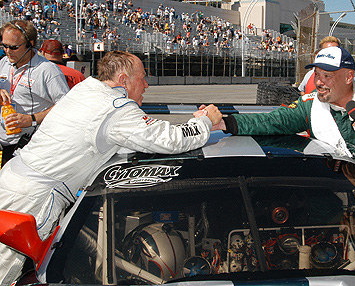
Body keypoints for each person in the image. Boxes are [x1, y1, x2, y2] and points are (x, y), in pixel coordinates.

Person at [0, 50, 222, 284]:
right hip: (32, 200)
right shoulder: (114, 108)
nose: (146, 85)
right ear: (124, 80)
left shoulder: (85, 90)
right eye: (143, 77)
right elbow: (171, 139)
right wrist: (205, 120)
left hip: (13, 179)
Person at [208, 46, 355, 196]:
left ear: (348, 77)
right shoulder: (309, 103)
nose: (319, 82)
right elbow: (273, 121)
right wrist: (226, 123)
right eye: (316, 74)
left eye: (327, 75)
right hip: (328, 198)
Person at [0, 20, 69, 165]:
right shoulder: (3, 62)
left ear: (30, 44)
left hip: (27, 148)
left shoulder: (48, 70)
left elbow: (66, 106)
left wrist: (31, 119)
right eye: (4, 46)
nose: (7, 51)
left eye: (13, 47)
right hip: (3, 144)